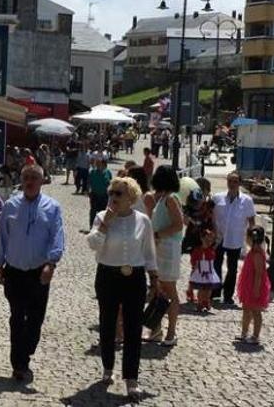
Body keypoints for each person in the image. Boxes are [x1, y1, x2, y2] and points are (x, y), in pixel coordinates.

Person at [87, 177, 156, 398]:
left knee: (133, 328)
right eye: (111, 193)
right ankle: (108, 366)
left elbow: (149, 252)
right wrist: (106, 223)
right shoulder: (101, 217)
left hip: (134, 277)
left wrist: (154, 277)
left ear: (131, 198)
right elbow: (93, 245)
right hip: (108, 274)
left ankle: (131, 378)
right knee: (107, 324)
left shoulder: (143, 221)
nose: (113, 197)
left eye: (119, 194)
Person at [0, 164, 65, 382]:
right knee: (17, 317)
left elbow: (57, 236)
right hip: (14, 272)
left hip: (38, 272)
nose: (30, 181)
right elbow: (2, 237)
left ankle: (25, 352)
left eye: (34, 177)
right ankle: (19, 364)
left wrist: (51, 263)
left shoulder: (52, 207)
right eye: (26, 177)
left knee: (35, 319)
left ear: (42, 181)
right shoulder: (10, 206)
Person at [145, 165, 185, 346]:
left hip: (167, 248)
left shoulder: (170, 199)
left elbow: (178, 224)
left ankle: (171, 332)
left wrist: (158, 235)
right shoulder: (163, 199)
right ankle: (156, 329)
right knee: (157, 289)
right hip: (161, 249)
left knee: (169, 291)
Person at [212, 172, 256, 305]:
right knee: (216, 266)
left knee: (232, 268)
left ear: (239, 183)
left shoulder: (247, 201)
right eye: (230, 181)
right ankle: (215, 292)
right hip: (218, 238)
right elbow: (210, 215)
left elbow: (251, 220)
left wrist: (251, 237)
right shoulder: (217, 198)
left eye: (235, 181)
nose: (232, 184)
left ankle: (228, 295)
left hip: (235, 239)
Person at [237, 226, 271, 345]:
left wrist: (256, 289)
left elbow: (259, 273)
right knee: (246, 309)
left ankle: (255, 336)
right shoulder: (252, 252)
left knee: (256, 311)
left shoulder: (257, 254)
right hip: (248, 284)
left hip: (254, 285)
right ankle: (244, 332)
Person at [189, 227, 220, 312]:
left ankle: (206, 300)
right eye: (206, 239)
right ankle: (200, 302)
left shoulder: (211, 250)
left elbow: (212, 260)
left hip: (209, 272)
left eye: (210, 240)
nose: (208, 242)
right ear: (202, 239)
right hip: (200, 271)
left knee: (208, 288)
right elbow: (194, 260)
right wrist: (194, 268)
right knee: (201, 289)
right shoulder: (197, 250)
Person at [87, 160, 112, 231]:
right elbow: (88, 181)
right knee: (93, 211)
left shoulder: (107, 172)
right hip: (94, 194)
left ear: (103, 165)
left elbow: (110, 183)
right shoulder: (92, 172)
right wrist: (88, 190)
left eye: (99, 164)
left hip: (104, 195)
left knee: (103, 212)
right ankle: (91, 226)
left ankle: (101, 227)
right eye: (96, 164)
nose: (98, 165)